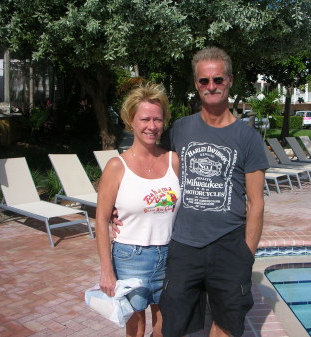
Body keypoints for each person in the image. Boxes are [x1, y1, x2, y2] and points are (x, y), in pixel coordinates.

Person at [158, 47, 269, 337]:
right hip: (184, 245)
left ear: (230, 81)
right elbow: (149, 167)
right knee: (173, 324)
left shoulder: (248, 138)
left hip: (229, 246)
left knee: (228, 324)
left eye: (218, 80)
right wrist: (122, 205)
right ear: (196, 85)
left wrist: (247, 254)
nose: (211, 87)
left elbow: (256, 204)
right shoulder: (179, 129)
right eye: (204, 81)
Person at [95, 83, 181, 337]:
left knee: (165, 323)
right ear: (130, 121)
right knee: (136, 325)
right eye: (144, 119)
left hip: (170, 253)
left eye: (157, 119)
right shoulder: (116, 166)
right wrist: (106, 270)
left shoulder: (173, 160)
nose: (151, 126)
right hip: (131, 257)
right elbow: (101, 220)